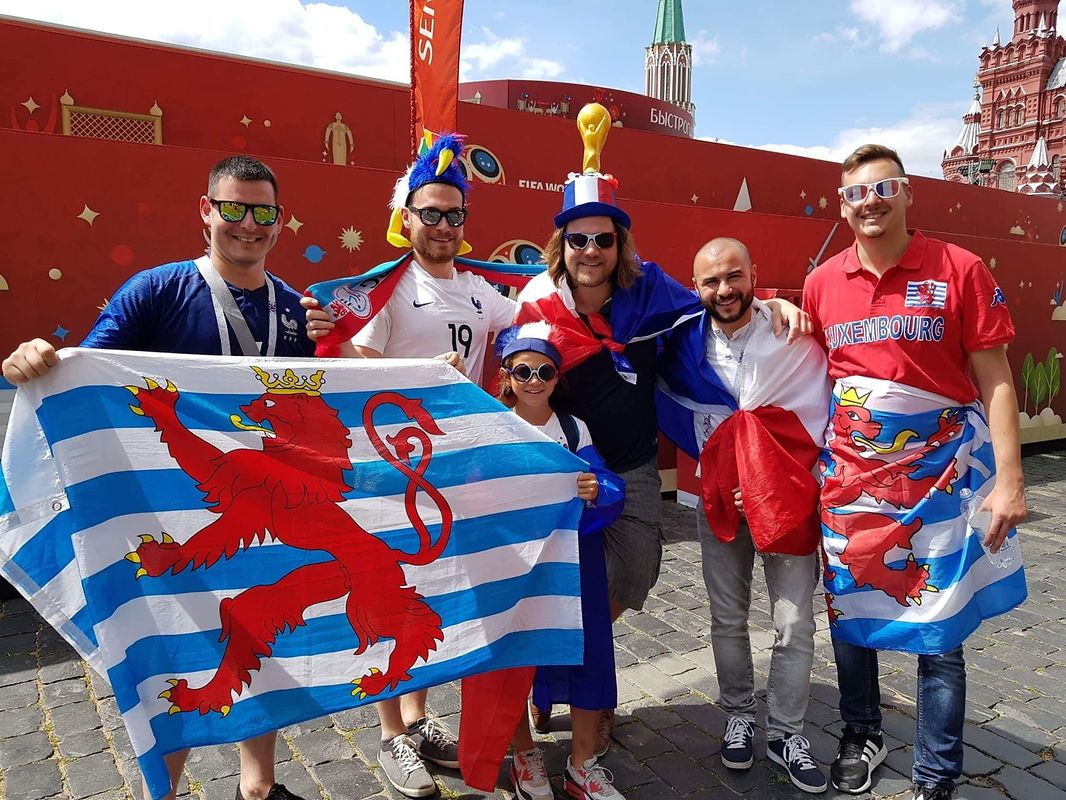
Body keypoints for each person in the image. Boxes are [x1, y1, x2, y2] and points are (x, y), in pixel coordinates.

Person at [2, 155, 312, 800]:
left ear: (280, 221)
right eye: (233, 208)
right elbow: (86, 368)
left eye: (262, 212)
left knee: (261, 634)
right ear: (206, 211)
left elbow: (312, 399)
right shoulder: (158, 290)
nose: (248, 224)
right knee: (176, 645)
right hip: (173, 507)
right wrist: (36, 360)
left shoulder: (292, 308)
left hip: (264, 505)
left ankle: (259, 786)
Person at [513, 118, 811, 748]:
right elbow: (517, 377)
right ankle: (572, 686)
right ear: (560, 245)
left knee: (634, 577)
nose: (590, 250)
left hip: (636, 466)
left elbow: (720, 305)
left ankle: (575, 657)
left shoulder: (649, 291)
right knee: (561, 585)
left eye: (602, 238)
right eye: (578, 239)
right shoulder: (540, 303)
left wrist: (778, 300)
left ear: (619, 243)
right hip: (565, 470)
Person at [803, 144, 1028, 800]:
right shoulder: (822, 283)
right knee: (850, 616)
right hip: (850, 484)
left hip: (942, 480)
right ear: (843, 206)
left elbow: (997, 380)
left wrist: (1011, 480)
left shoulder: (959, 269)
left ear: (907, 194)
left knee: (942, 627)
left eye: (883, 188)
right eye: (855, 193)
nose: (869, 201)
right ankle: (861, 733)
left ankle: (936, 773)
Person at [301, 134, 515, 798]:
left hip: (453, 470)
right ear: (407, 217)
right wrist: (420, 374)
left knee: (436, 596)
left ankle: (419, 719)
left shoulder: (481, 289)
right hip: (387, 469)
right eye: (432, 214)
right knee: (388, 594)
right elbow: (347, 357)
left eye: (455, 215)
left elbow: (538, 322)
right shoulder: (389, 290)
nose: (444, 226)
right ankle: (392, 730)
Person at [656, 238, 830, 794]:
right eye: (711, 282)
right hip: (719, 499)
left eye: (734, 277)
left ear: (754, 274)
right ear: (695, 285)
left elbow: (819, 405)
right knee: (727, 618)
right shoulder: (683, 340)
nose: (724, 290)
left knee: (794, 622)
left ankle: (785, 732)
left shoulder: (793, 332)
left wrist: (784, 302)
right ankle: (736, 714)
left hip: (785, 501)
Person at [493, 322, 625, 800]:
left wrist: (596, 489)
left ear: (557, 376)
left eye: (544, 370)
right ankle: (524, 757)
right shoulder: (489, 422)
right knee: (511, 659)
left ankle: (582, 763)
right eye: (523, 370)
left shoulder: (574, 428)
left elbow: (605, 481)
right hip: (511, 565)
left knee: (588, 652)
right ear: (507, 374)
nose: (534, 380)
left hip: (573, 563)